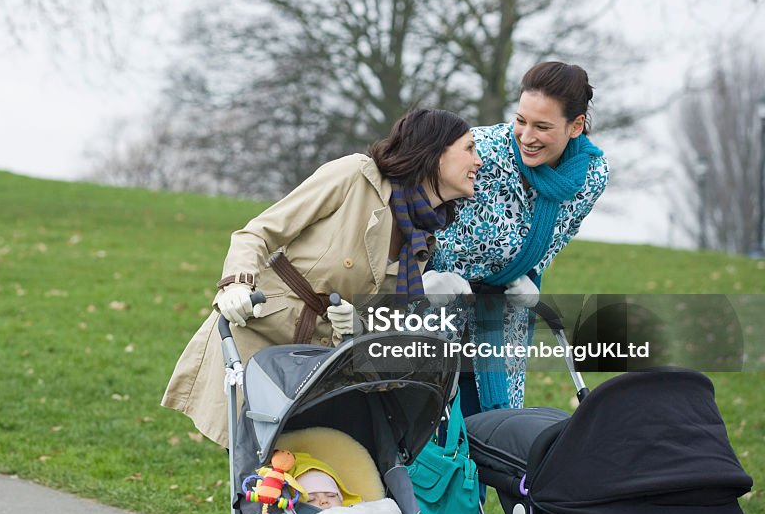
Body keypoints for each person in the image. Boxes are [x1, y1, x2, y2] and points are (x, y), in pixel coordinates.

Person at [162, 108, 483, 446]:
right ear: (434, 152)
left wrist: (357, 325)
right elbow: (257, 234)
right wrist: (237, 284)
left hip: (319, 366)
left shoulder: (421, 236)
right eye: (469, 148)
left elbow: (384, 320)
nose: (478, 161)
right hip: (261, 335)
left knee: (303, 481)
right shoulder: (354, 177)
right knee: (253, 477)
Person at [428, 61, 610, 415]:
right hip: (436, 302)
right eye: (521, 120)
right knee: (429, 423)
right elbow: (411, 205)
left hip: (504, 314)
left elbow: (560, 234)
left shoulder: (591, 176)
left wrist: (531, 275)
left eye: (542, 126)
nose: (526, 136)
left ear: (576, 126)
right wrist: (422, 274)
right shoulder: (479, 150)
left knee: (495, 423)